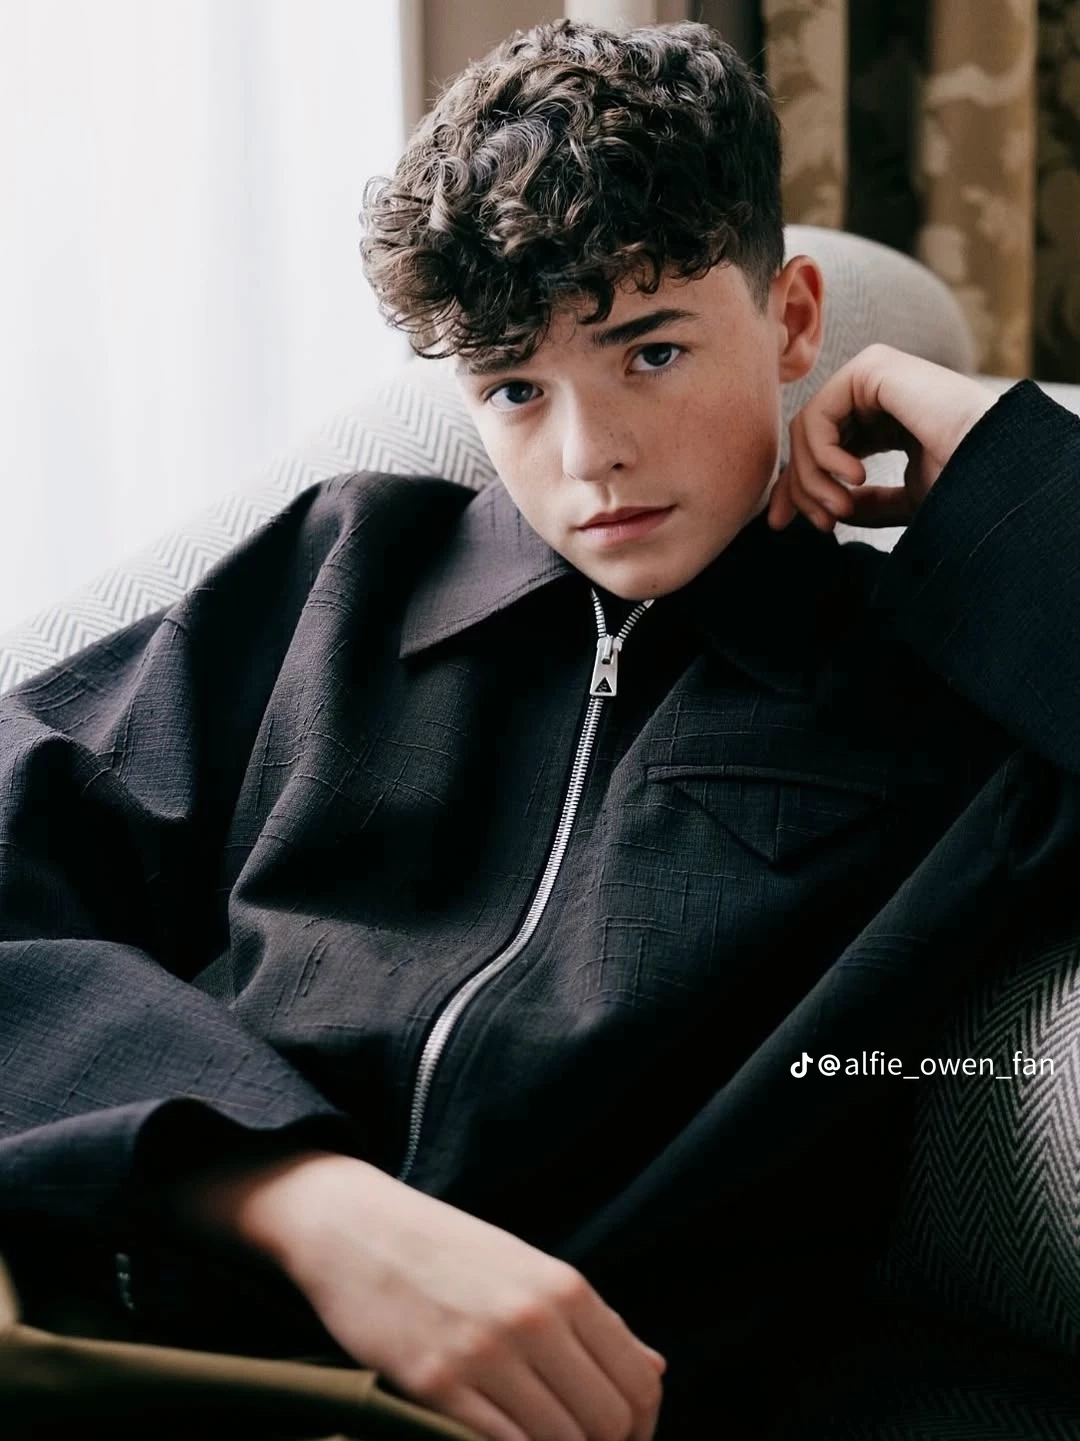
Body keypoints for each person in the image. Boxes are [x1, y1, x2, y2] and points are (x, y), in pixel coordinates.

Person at [1, 16, 1078, 1441]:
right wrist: (297, 1201)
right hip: (122, 1336)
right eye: (514, 387)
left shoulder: (933, 686)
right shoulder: (345, 573)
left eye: (652, 351)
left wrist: (989, 450)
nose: (588, 460)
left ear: (795, 319)